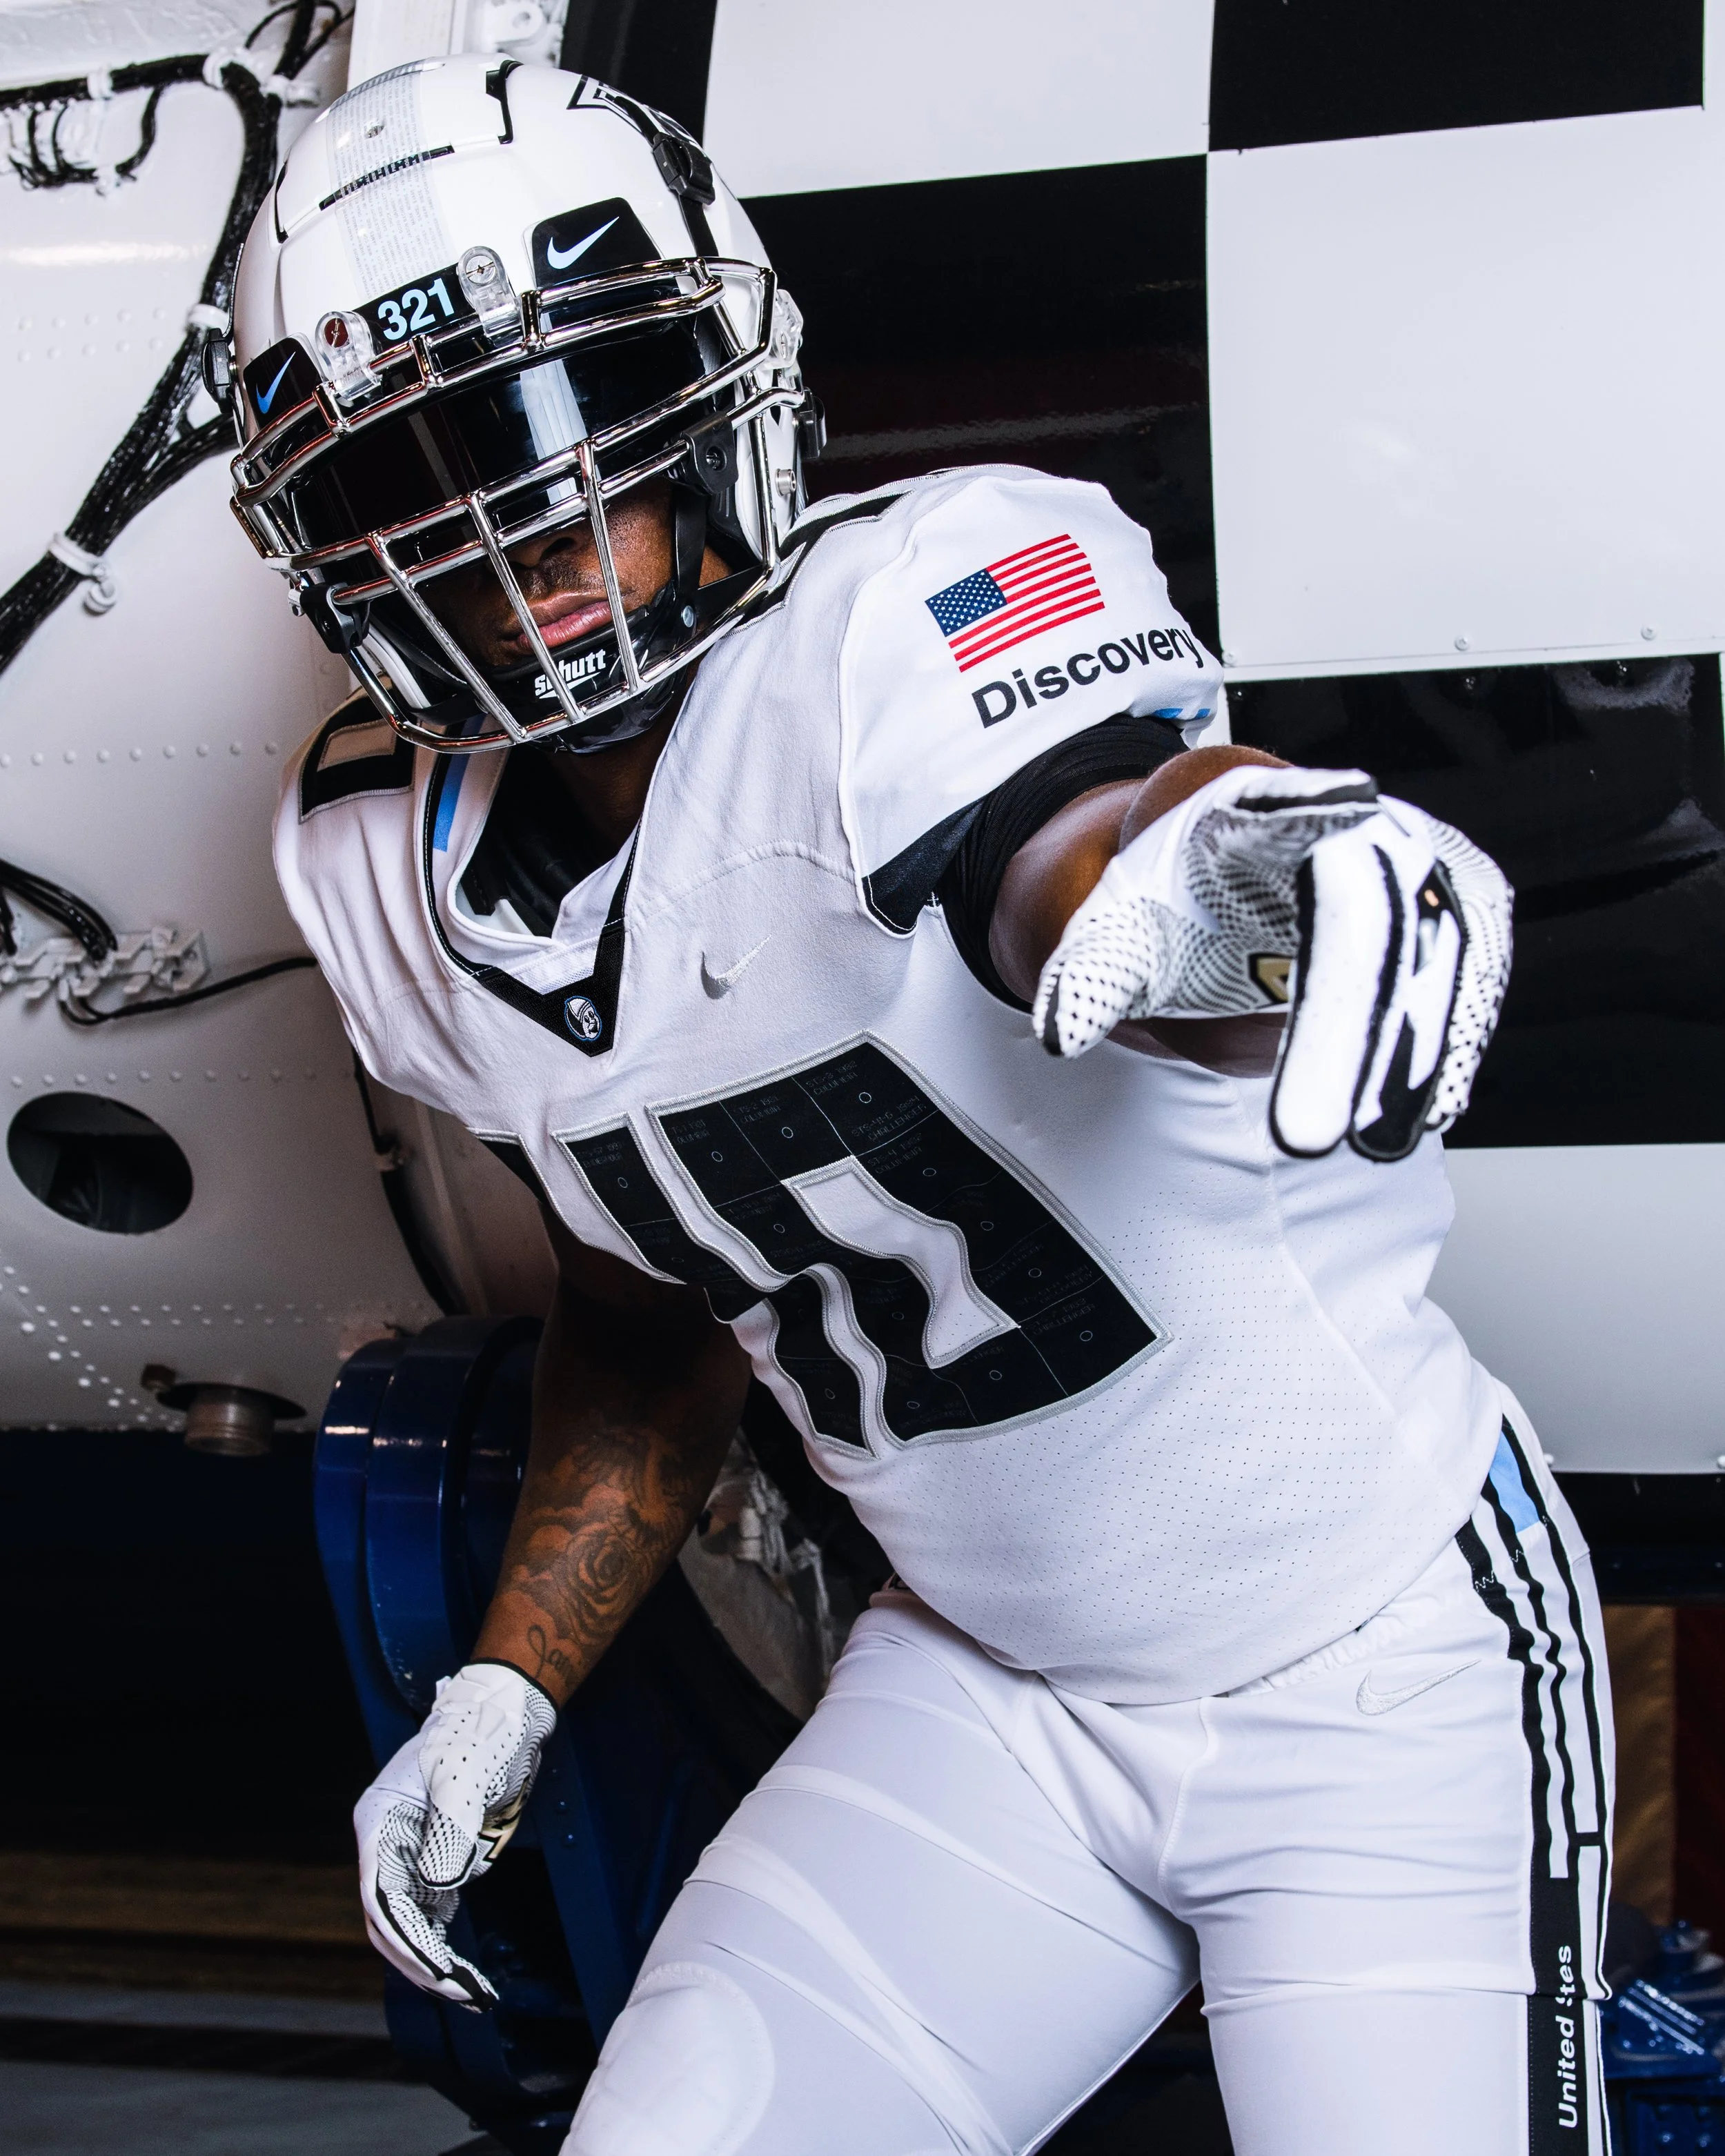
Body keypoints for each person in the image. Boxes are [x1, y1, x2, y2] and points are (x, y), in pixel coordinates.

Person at [232, 55, 1607, 2156]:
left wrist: (1260, 886)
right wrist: (510, 1676)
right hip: (980, 1686)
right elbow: (649, 1290)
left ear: (711, 374)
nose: (522, 530)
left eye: (571, 418)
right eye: (423, 466)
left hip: (1368, 1658)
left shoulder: (909, 613)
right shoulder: (373, 865)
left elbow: (1084, 856)